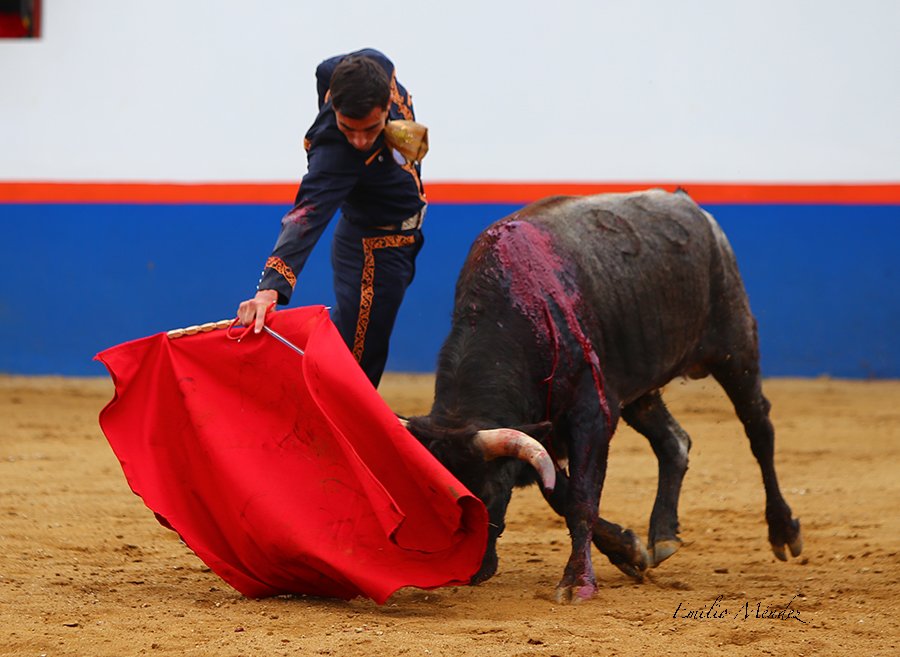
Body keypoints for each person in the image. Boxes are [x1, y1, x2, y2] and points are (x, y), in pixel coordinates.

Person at [237, 48, 426, 388]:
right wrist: (270, 290)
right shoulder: (335, 155)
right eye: (347, 128)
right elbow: (305, 217)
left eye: (370, 129)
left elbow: (325, 69)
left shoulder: (375, 65)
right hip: (374, 250)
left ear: (385, 106)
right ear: (333, 106)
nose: (358, 140)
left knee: (354, 348)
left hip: (398, 242)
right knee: (357, 368)